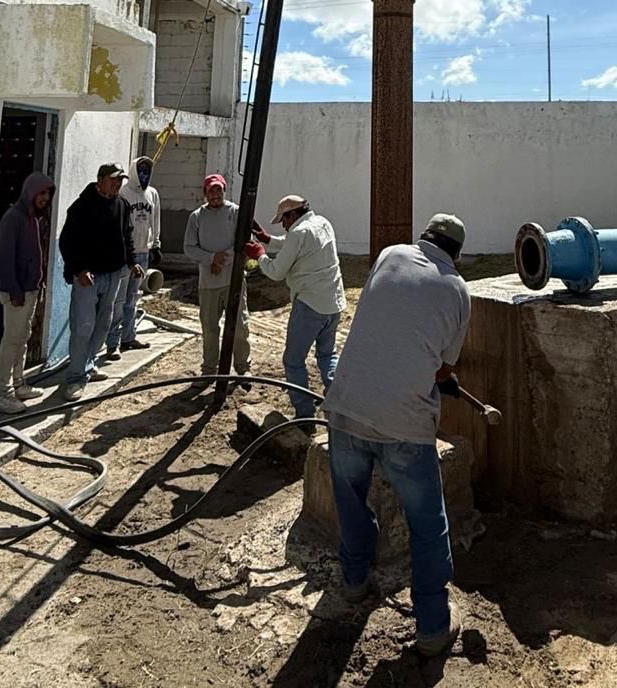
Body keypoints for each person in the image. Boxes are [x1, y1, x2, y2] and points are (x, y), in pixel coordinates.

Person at [321, 213, 471, 658]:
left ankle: (354, 582)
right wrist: (441, 377)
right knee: (427, 525)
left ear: (424, 238)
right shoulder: (457, 289)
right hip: (403, 425)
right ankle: (432, 628)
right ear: (456, 254)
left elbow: (385, 318)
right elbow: (443, 367)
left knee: (350, 500)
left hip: (346, 407)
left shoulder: (389, 255)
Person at [255, 194, 345, 421]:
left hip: (310, 305)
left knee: (293, 361)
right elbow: (293, 244)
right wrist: (267, 239)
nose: (283, 226)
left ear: (292, 214)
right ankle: (340, 405)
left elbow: (276, 272)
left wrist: (260, 255)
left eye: (283, 220)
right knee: (327, 354)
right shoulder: (322, 223)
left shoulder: (297, 233)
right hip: (333, 302)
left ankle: (305, 413)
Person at [59, 163, 141, 401]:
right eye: (113, 180)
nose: (117, 184)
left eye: (120, 180)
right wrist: (79, 269)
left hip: (113, 274)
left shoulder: (122, 205)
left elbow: (127, 235)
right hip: (88, 276)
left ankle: (89, 364)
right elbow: (67, 242)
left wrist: (132, 262)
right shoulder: (81, 207)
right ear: (100, 180)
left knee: (103, 325)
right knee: (83, 326)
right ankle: (75, 378)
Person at [0, 171, 56, 414]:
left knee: (23, 338)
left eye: (48, 193)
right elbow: (4, 259)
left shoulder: (33, 218)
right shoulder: (14, 218)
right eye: (41, 193)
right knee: (11, 341)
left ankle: (18, 384)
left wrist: (37, 284)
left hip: (30, 290)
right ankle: (2, 393)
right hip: (16, 293)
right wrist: (14, 289)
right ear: (30, 192)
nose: (45, 198)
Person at [183, 174, 252, 381]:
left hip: (233, 279)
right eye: (211, 191)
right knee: (209, 328)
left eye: (218, 190)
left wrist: (222, 260)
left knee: (239, 326)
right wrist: (211, 258)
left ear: (224, 191)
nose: (215, 195)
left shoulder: (235, 212)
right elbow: (189, 247)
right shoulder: (197, 217)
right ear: (204, 193)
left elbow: (245, 241)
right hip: (208, 282)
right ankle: (209, 369)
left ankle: (242, 367)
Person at [104, 155, 161, 359]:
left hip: (143, 252)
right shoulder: (123, 193)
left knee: (133, 298)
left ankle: (129, 337)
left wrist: (156, 244)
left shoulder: (152, 194)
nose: (144, 175)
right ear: (134, 172)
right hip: (124, 254)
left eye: (148, 171)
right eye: (141, 171)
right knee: (118, 300)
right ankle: (113, 343)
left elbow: (156, 219)